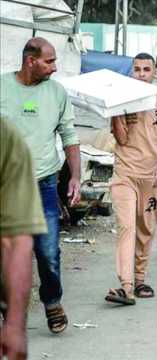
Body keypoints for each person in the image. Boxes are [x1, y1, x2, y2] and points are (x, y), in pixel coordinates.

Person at [0, 37, 81, 333]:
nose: (55, 67)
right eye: (49, 61)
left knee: (47, 252)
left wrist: (74, 176)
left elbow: (70, 136)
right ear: (30, 61)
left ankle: (52, 301)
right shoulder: (2, 87)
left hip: (44, 185)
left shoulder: (57, 93)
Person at [105, 53, 157, 305]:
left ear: (154, 72)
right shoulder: (123, 101)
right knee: (127, 226)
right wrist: (115, 111)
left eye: (147, 69)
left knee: (146, 230)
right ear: (132, 72)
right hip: (124, 173)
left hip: (152, 177)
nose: (142, 74)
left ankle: (140, 277)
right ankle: (125, 286)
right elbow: (122, 139)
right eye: (137, 69)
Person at [0, 118, 48, 359]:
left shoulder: (5, 138)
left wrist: (15, 322)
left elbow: (15, 240)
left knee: (49, 255)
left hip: (44, 178)